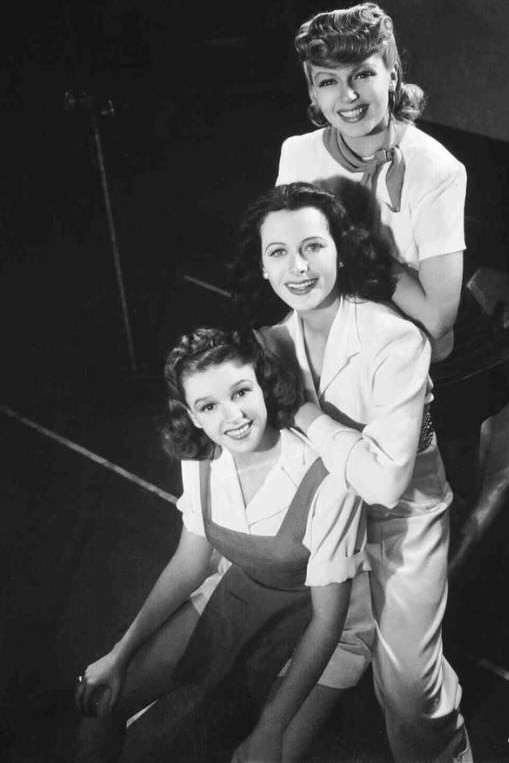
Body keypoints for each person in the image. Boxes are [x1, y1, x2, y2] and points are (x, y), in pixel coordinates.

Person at [230, 182, 472, 763]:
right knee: (299, 641)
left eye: (313, 246)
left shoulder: (394, 339)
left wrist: (305, 412)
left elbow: (387, 481)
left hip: (403, 523)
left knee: (408, 690)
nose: (298, 267)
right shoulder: (268, 344)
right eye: (279, 252)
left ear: (341, 248)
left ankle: (450, 750)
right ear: (262, 268)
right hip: (330, 523)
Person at [74, 326, 373, 763]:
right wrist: (120, 654)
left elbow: (328, 621)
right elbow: (189, 563)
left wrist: (271, 729)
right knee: (100, 701)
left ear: (263, 386)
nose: (232, 416)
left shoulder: (327, 478)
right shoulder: (199, 459)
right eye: (209, 406)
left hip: (332, 623)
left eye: (240, 392)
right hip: (245, 590)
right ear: (193, 417)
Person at [276, 1, 509, 521]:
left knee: (453, 486)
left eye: (363, 74)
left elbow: (438, 317)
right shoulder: (297, 153)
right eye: (328, 81)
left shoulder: (437, 169)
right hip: (349, 336)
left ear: (391, 73)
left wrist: (355, 246)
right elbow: (290, 264)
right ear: (311, 90)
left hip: (436, 350)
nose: (347, 97)